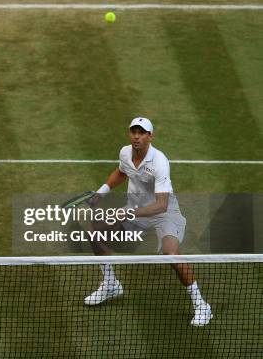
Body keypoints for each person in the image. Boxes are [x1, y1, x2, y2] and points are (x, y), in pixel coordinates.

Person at [84, 117, 213, 326]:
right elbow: (121, 172)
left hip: (164, 212)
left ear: (150, 136)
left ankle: (202, 306)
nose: (136, 136)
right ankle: (110, 284)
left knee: (171, 254)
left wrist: (127, 214)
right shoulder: (125, 153)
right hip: (136, 208)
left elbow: (161, 205)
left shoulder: (160, 161)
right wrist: (101, 193)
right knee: (96, 231)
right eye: (133, 132)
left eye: (141, 132)